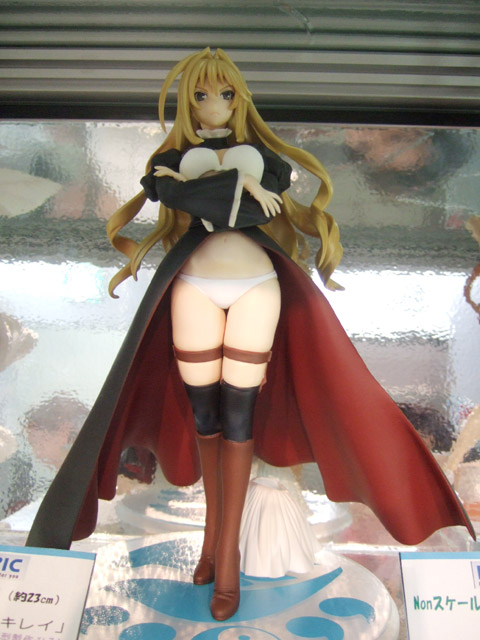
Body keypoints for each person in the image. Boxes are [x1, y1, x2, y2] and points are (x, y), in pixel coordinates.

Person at [26, 48, 474, 621]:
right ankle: (212, 542)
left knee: (239, 418)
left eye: (225, 94)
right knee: (205, 417)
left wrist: (205, 189)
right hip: (194, 286)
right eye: (201, 96)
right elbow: (193, 198)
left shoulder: (250, 159)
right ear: (188, 103)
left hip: (256, 286)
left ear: (240, 99)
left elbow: (235, 207)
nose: (214, 105)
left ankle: (228, 559)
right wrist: (230, 186)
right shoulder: (184, 161)